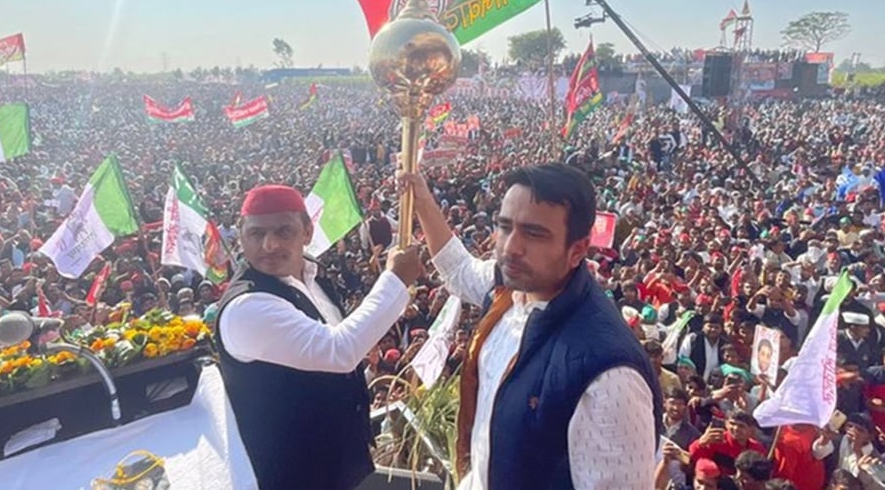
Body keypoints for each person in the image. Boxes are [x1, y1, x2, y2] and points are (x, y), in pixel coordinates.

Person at [400, 165, 662, 489]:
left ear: (578, 250)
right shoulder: (511, 289)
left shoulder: (609, 373)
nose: (511, 247)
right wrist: (423, 200)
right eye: (505, 226)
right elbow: (459, 270)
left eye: (534, 234)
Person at [213, 184, 423, 490]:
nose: (269, 245)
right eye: (256, 234)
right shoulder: (247, 307)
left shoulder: (313, 277)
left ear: (307, 233)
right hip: (290, 474)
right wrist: (395, 280)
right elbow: (338, 351)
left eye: (284, 231)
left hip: (335, 465)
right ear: (241, 235)